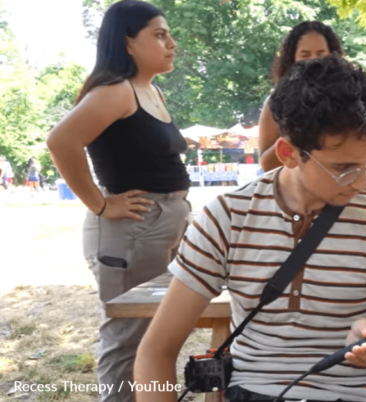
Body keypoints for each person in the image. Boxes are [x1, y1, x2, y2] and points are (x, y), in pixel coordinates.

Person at [134, 55, 366, 402]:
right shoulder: (228, 216)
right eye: (344, 168)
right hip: (253, 392)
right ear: (288, 153)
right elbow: (157, 350)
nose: (363, 184)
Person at [45, 2, 191, 401]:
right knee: (127, 337)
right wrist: (101, 204)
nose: (172, 44)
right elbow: (61, 141)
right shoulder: (116, 91)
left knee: (155, 332)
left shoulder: (150, 90)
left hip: (158, 227)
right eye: (159, 35)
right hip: (131, 232)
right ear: (128, 43)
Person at [258, 21, 344, 173]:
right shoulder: (275, 102)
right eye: (305, 55)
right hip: (292, 192)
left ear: (333, 55)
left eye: (321, 53)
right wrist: (299, 133)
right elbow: (267, 165)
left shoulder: (349, 97)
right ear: (292, 59)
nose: (314, 61)